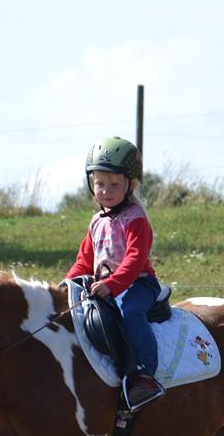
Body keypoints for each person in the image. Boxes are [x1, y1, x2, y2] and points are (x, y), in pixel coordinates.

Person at [66, 136, 165, 408]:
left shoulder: (135, 219)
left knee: (130, 311)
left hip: (139, 285)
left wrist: (112, 284)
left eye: (114, 184)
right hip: (107, 286)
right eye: (99, 184)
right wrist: (68, 284)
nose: (106, 191)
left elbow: (134, 259)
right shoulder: (96, 222)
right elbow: (85, 260)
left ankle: (145, 373)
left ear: (129, 185)